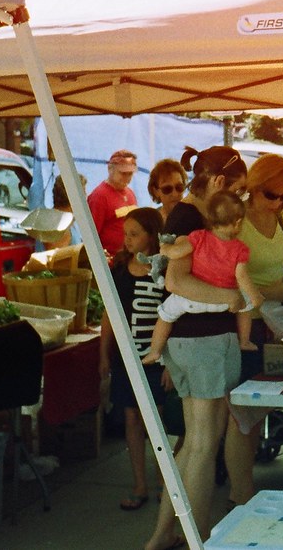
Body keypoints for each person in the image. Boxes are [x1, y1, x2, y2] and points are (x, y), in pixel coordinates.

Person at [144, 145, 247, 550]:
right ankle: (198, 538)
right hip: (202, 341)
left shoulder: (190, 215)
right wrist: (231, 297)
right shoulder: (189, 216)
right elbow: (176, 282)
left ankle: (163, 534)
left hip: (194, 341)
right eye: (237, 191)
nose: (237, 201)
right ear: (219, 182)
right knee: (204, 444)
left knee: (193, 443)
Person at [224, 153, 283, 508]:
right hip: (245, 327)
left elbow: (273, 259)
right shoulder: (237, 223)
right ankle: (240, 493)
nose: (279, 202)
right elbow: (225, 276)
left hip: (273, 325)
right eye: (272, 195)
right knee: (242, 413)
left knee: (256, 414)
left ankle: (243, 488)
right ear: (253, 190)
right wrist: (271, 292)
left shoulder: (276, 220)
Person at [99, 207, 169, 512]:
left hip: (156, 359)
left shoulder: (165, 269)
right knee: (131, 418)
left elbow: (173, 316)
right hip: (125, 359)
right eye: (125, 233)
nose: (127, 239)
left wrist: (170, 361)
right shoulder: (119, 268)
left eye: (134, 234)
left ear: (151, 236)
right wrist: (104, 354)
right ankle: (140, 484)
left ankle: (165, 484)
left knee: (159, 421)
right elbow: (108, 314)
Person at [142, 191, 264, 364]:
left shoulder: (198, 237)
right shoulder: (240, 249)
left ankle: (154, 351)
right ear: (238, 222)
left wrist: (164, 249)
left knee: (165, 315)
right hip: (225, 301)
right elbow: (242, 276)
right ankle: (244, 341)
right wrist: (255, 297)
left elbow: (176, 253)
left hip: (191, 300)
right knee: (245, 308)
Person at [88, 149, 138, 257]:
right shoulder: (99, 196)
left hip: (129, 259)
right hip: (111, 262)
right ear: (110, 169)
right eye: (123, 173)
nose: (127, 178)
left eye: (130, 174)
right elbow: (91, 236)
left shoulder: (130, 193)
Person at [45, 172, 87, 249]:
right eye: (83, 193)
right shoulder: (60, 228)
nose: (86, 197)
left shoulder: (64, 220)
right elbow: (53, 259)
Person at [147, 158, 188, 224]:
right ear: (155, 192)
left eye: (179, 187)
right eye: (167, 189)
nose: (175, 194)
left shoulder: (193, 218)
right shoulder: (151, 221)